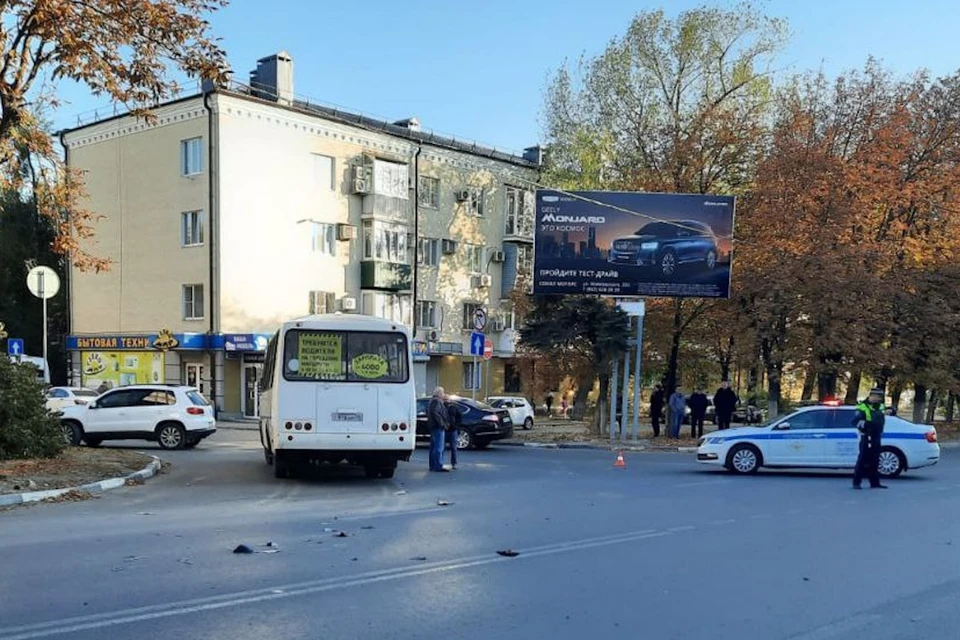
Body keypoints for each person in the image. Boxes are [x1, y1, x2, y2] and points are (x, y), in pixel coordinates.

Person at [853, 387, 887, 490]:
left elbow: (883, 416)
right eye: (878, 396)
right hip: (866, 435)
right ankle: (857, 482)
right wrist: (862, 423)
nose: (879, 399)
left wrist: (891, 410)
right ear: (872, 396)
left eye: (880, 397)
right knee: (863, 459)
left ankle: (874, 483)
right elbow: (856, 420)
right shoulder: (862, 406)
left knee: (875, 459)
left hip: (876, 435)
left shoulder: (880, 406)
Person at [427, 387, 450, 473]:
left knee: (434, 447)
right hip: (437, 427)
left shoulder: (432, 401)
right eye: (442, 393)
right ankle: (438, 465)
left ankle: (433, 465)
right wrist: (442, 424)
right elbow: (436, 414)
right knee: (439, 447)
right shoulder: (436, 401)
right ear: (439, 393)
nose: (443, 394)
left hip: (434, 426)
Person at [445, 397, 463, 470]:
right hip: (448, 429)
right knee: (451, 447)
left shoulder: (454, 407)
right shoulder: (443, 406)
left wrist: (456, 426)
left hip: (451, 429)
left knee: (453, 447)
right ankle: (453, 463)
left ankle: (453, 463)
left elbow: (459, 417)